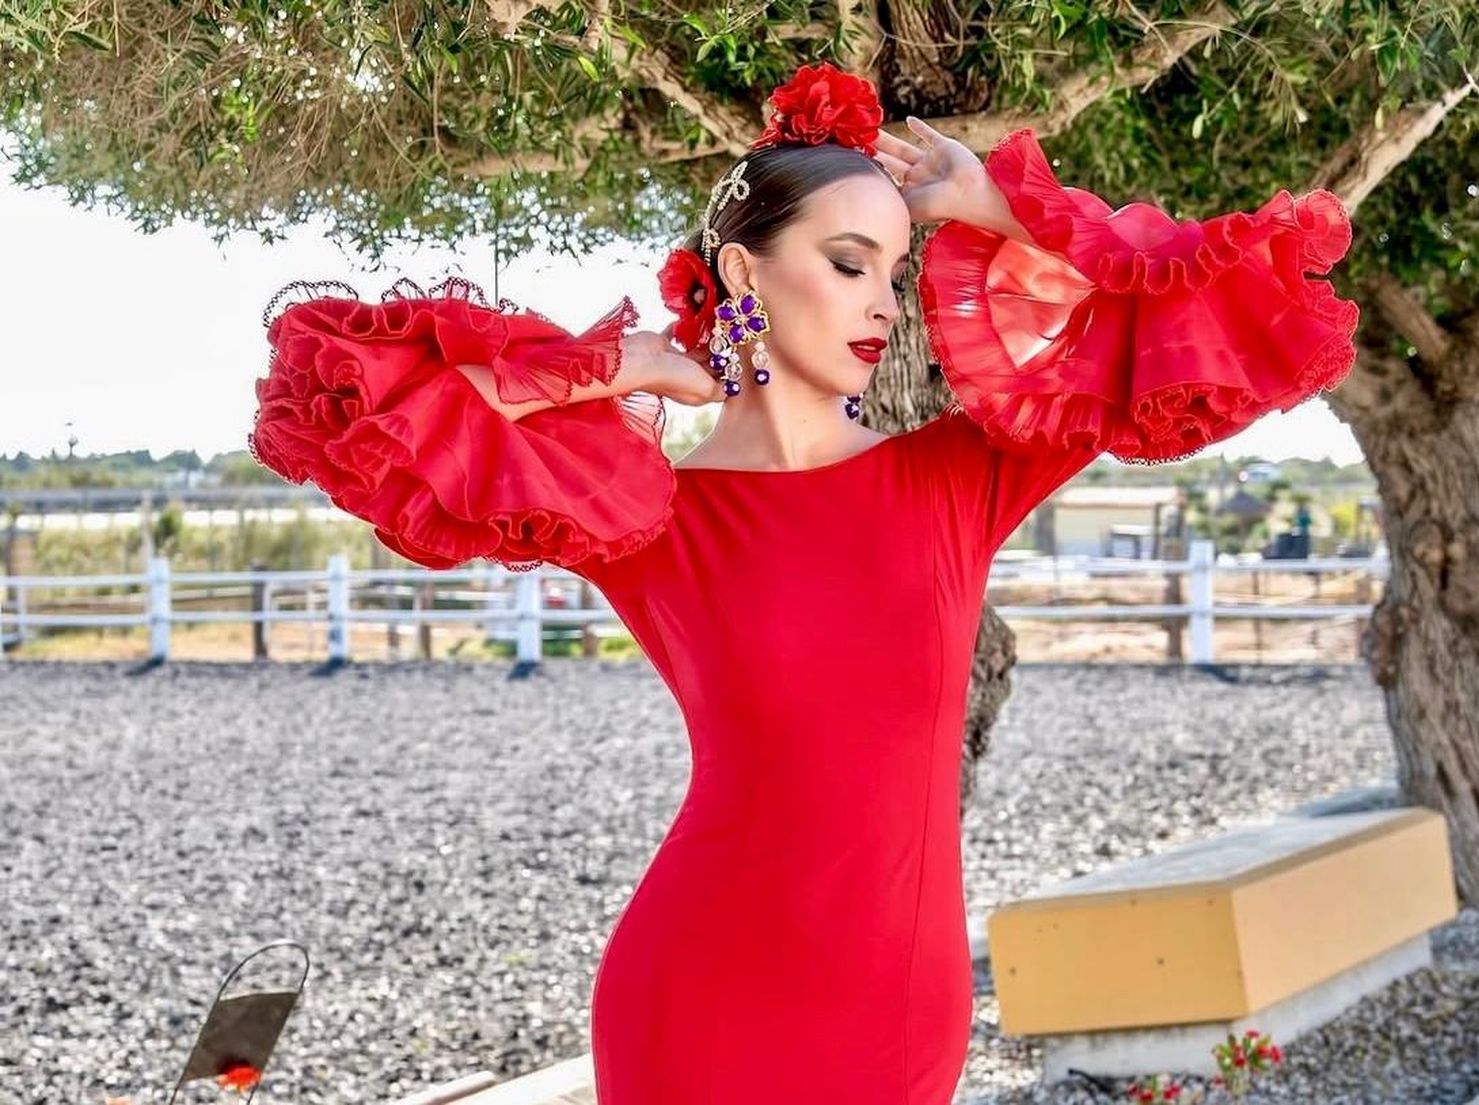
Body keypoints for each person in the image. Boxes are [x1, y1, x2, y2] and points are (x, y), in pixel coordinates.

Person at [248, 62, 1359, 1105]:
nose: (882, 301)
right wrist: (631, 365)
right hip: (693, 1003)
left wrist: (991, 205)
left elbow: (1191, 308)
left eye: (891, 266)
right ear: (743, 269)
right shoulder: (643, 517)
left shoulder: (959, 473)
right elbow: (359, 400)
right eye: (845, 262)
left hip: (900, 1010)